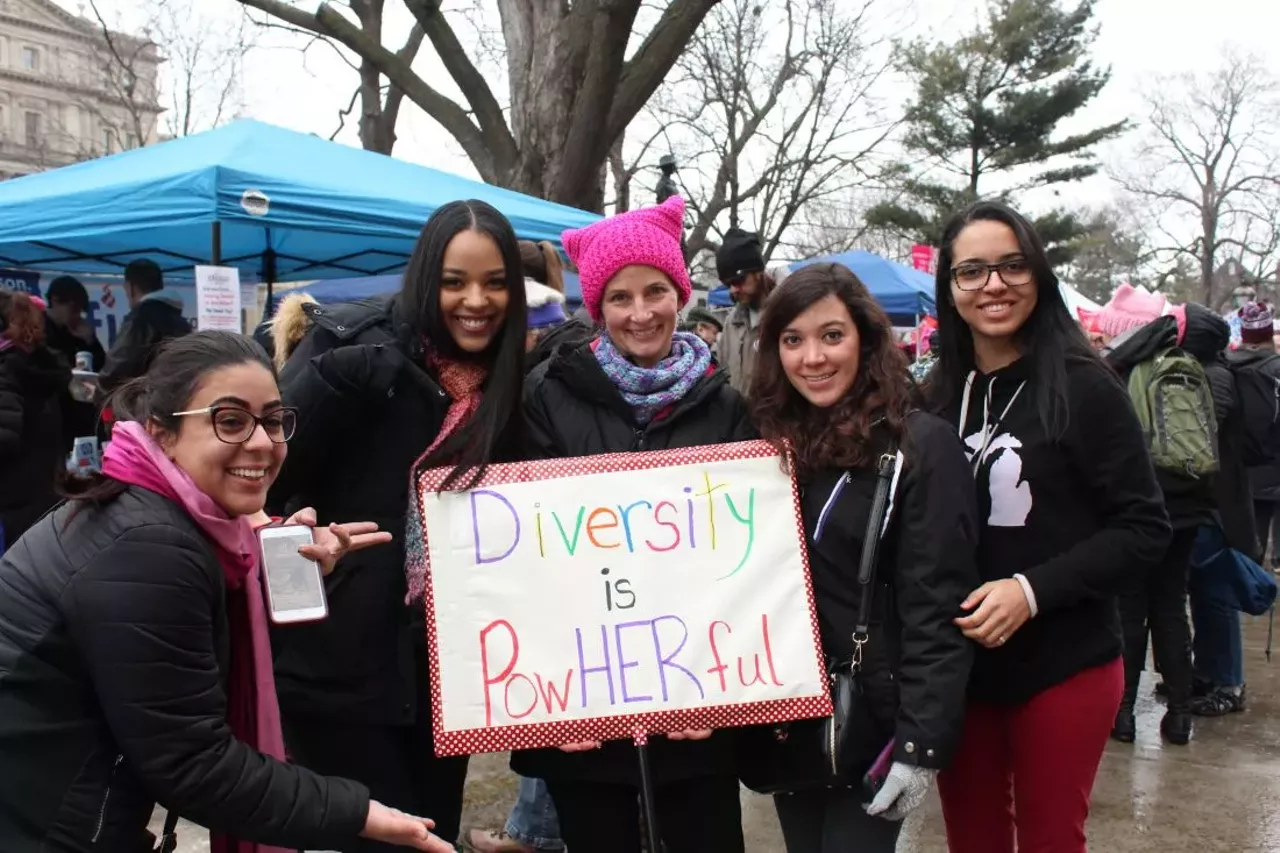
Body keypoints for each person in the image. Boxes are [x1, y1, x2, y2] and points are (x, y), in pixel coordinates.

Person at [0, 330, 453, 853]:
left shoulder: (170, 517)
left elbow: (194, 664)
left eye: (275, 420)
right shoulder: (150, 548)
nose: (262, 443)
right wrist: (358, 812)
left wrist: (291, 570)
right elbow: (192, 762)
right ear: (161, 431)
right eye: (230, 421)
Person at [268, 200, 528, 851]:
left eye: (495, 281)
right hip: (340, 671)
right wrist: (299, 554)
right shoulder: (350, 352)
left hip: (447, 671)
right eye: (454, 280)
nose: (476, 300)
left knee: (432, 834)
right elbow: (258, 481)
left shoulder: (508, 383)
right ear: (423, 278)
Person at [925, 200, 1171, 853]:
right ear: (949, 288)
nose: (994, 285)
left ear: (1038, 272)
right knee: (971, 840)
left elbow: (1145, 528)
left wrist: (1029, 591)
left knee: (1050, 841)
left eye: (1011, 265)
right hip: (960, 669)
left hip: (1066, 661)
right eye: (971, 271)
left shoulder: (1088, 386)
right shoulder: (933, 399)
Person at [516, 195, 753, 853]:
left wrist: (727, 687)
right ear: (598, 307)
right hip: (583, 706)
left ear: (680, 292)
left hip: (696, 703)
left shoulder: (726, 403)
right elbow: (524, 561)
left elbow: (744, 557)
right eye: (620, 297)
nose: (640, 311)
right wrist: (547, 701)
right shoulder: (546, 396)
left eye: (655, 290)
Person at [749, 263, 979, 853]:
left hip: (874, 714)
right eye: (793, 340)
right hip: (790, 708)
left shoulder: (919, 446)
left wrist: (920, 745)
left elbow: (937, 604)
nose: (813, 358)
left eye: (832, 335)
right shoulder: (767, 444)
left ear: (866, 340)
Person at [1096, 292, 1212, 745]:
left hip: (1142, 506)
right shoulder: (1188, 365)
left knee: (1131, 608)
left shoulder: (1123, 368)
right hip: (1190, 505)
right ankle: (1179, 715)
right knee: (1170, 607)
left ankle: (1123, 713)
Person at [0, 289, 72, 547]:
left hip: (12, 506)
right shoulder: (41, 369)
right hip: (44, 495)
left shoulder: (6, 371)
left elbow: (5, 437)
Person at [98, 258, 192, 395]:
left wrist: (99, 391)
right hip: (171, 399)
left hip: (142, 403)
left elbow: (119, 363)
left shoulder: (140, 318)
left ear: (131, 288)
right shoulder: (179, 320)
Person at [716, 228, 775, 395]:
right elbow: (723, 375)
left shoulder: (787, 314)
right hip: (737, 418)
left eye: (738, 280)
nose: (734, 289)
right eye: (728, 284)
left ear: (759, 272)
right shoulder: (731, 324)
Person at [44, 275, 106, 371]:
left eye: (80, 311)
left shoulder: (76, 332)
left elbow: (102, 368)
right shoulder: (38, 327)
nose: (77, 316)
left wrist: (91, 341)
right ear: (55, 300)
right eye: (74, 310)